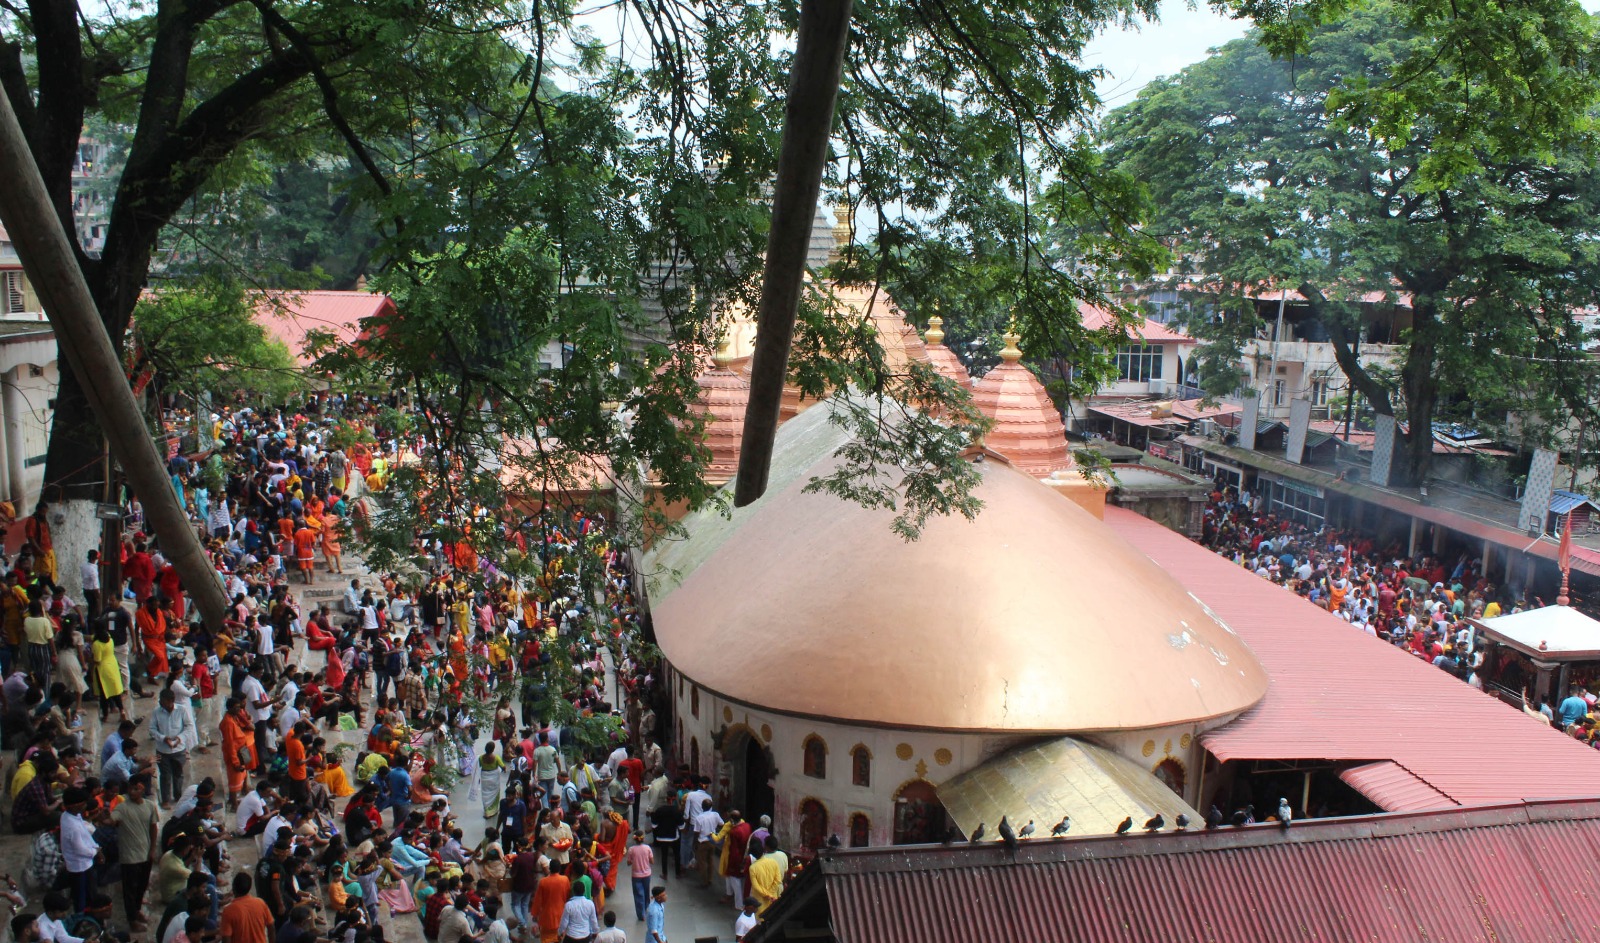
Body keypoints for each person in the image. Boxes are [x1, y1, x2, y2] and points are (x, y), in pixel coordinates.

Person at [114, 774, 162, 932]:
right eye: (130, 788)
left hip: (145, 854)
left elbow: (153, 827)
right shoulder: (122, 807)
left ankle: (136, 911)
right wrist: (105, 819)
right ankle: (132, 919)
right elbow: (112, 819)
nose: (132, 792)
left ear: (142, 789)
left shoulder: (149, 806)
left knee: (141, 886)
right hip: (129, 857)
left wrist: (153, 849)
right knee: (130, 890)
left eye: (136, 789)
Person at [58, 787, 98, 912]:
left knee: (87, 893)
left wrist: (96, 847)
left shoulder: (72, 816)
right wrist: (94, 852)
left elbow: (86, 835)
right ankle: (82, 920)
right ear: (76, 805)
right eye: (84, 803)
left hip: (85, 862)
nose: (86, 806)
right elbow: (80, 849)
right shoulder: (71, 825)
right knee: (81, 897)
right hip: (80, 866)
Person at [152, 688, 193, 806]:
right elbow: (152, 729)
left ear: (171, 701)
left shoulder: (181, 710)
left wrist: (179, 739)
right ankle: (165, 800)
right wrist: (163, 738)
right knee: (165, 775)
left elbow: (189, 727)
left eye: (163, 701)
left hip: (178, 749)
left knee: (178, 773)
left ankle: (178, 796)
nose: (161, 703)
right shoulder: (156, 712)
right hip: (162, 749)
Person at [220, 873, 274, 943]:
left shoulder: (228, 911)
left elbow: (226, 938)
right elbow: (271, 927)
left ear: (233, 888)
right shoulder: (261, 903)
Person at [624, 832, 652, 923]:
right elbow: (652, 861)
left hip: (636, 875)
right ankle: (646, 907)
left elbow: (629, 863)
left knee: (638, 894)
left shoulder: (631, 849)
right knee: (646, 891)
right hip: (647, 874)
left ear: (634, 839)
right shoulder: (647, 848)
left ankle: (641, 914)